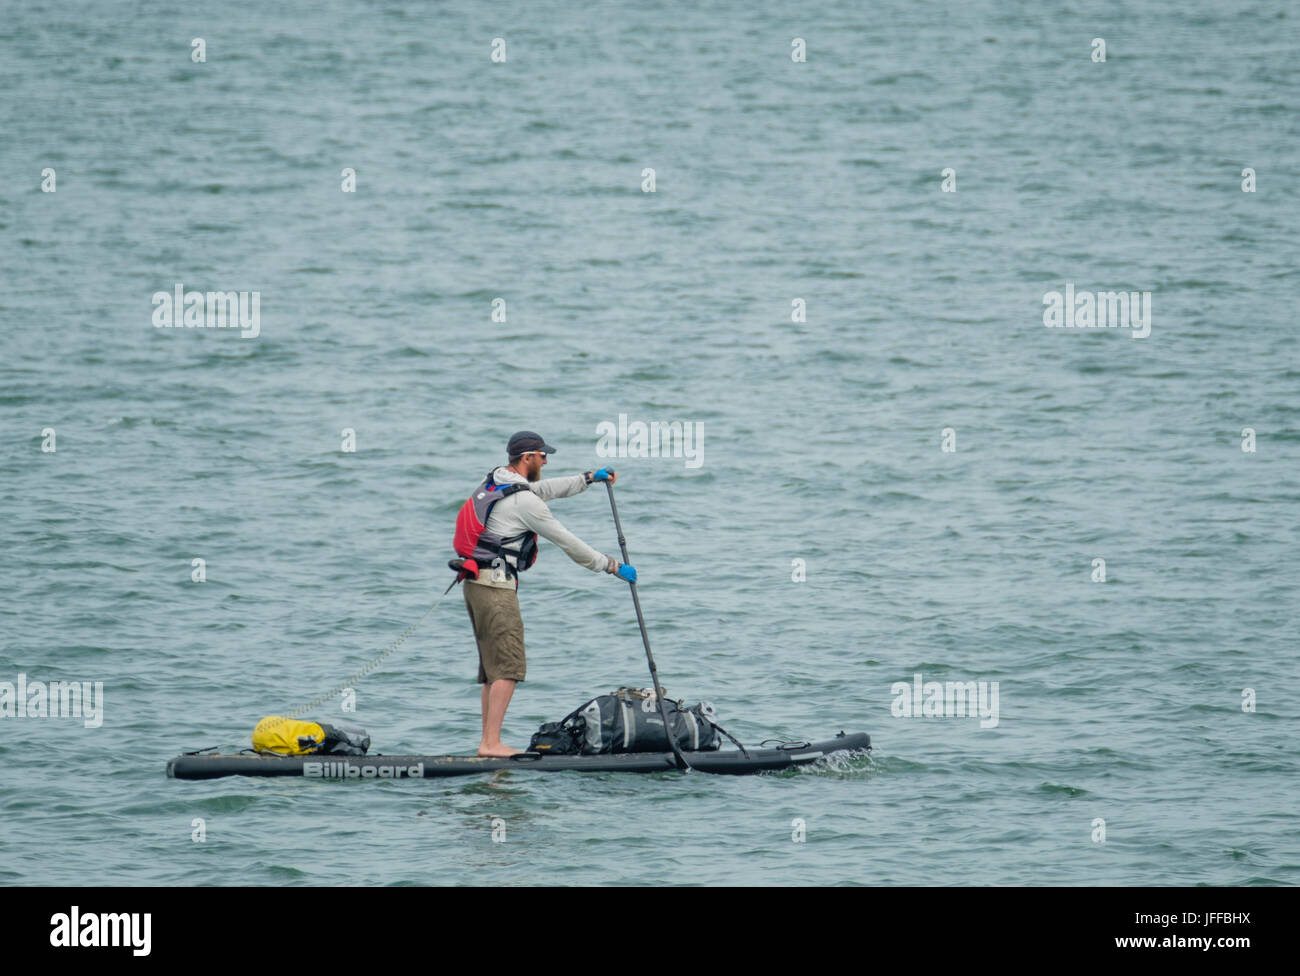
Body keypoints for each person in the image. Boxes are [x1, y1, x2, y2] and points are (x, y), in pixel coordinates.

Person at [454, 431, 636, 757]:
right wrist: (610, 566)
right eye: (542, 456)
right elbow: (567, 541)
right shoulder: (525, 503)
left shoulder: (498, 481)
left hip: (476, 584)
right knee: (508, 668)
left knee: (492, 672)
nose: (546, 461)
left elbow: (544, 489)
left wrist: (587, 479)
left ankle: (488, 741)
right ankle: (490, 744)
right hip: (495, 587)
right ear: (527, 458)